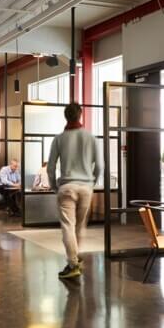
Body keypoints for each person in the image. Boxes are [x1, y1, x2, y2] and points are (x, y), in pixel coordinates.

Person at [48, 102, 102, 280]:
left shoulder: (59, 139)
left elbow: (50, 167)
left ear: (66, 116)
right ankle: (75, 260)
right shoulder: (91, 138)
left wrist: (54, 186)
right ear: (80, 115)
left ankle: (72, 264)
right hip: (86, 187)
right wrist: (91, 182)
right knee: (79, 227)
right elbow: (100, 166)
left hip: (67, 187)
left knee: (67, 227)